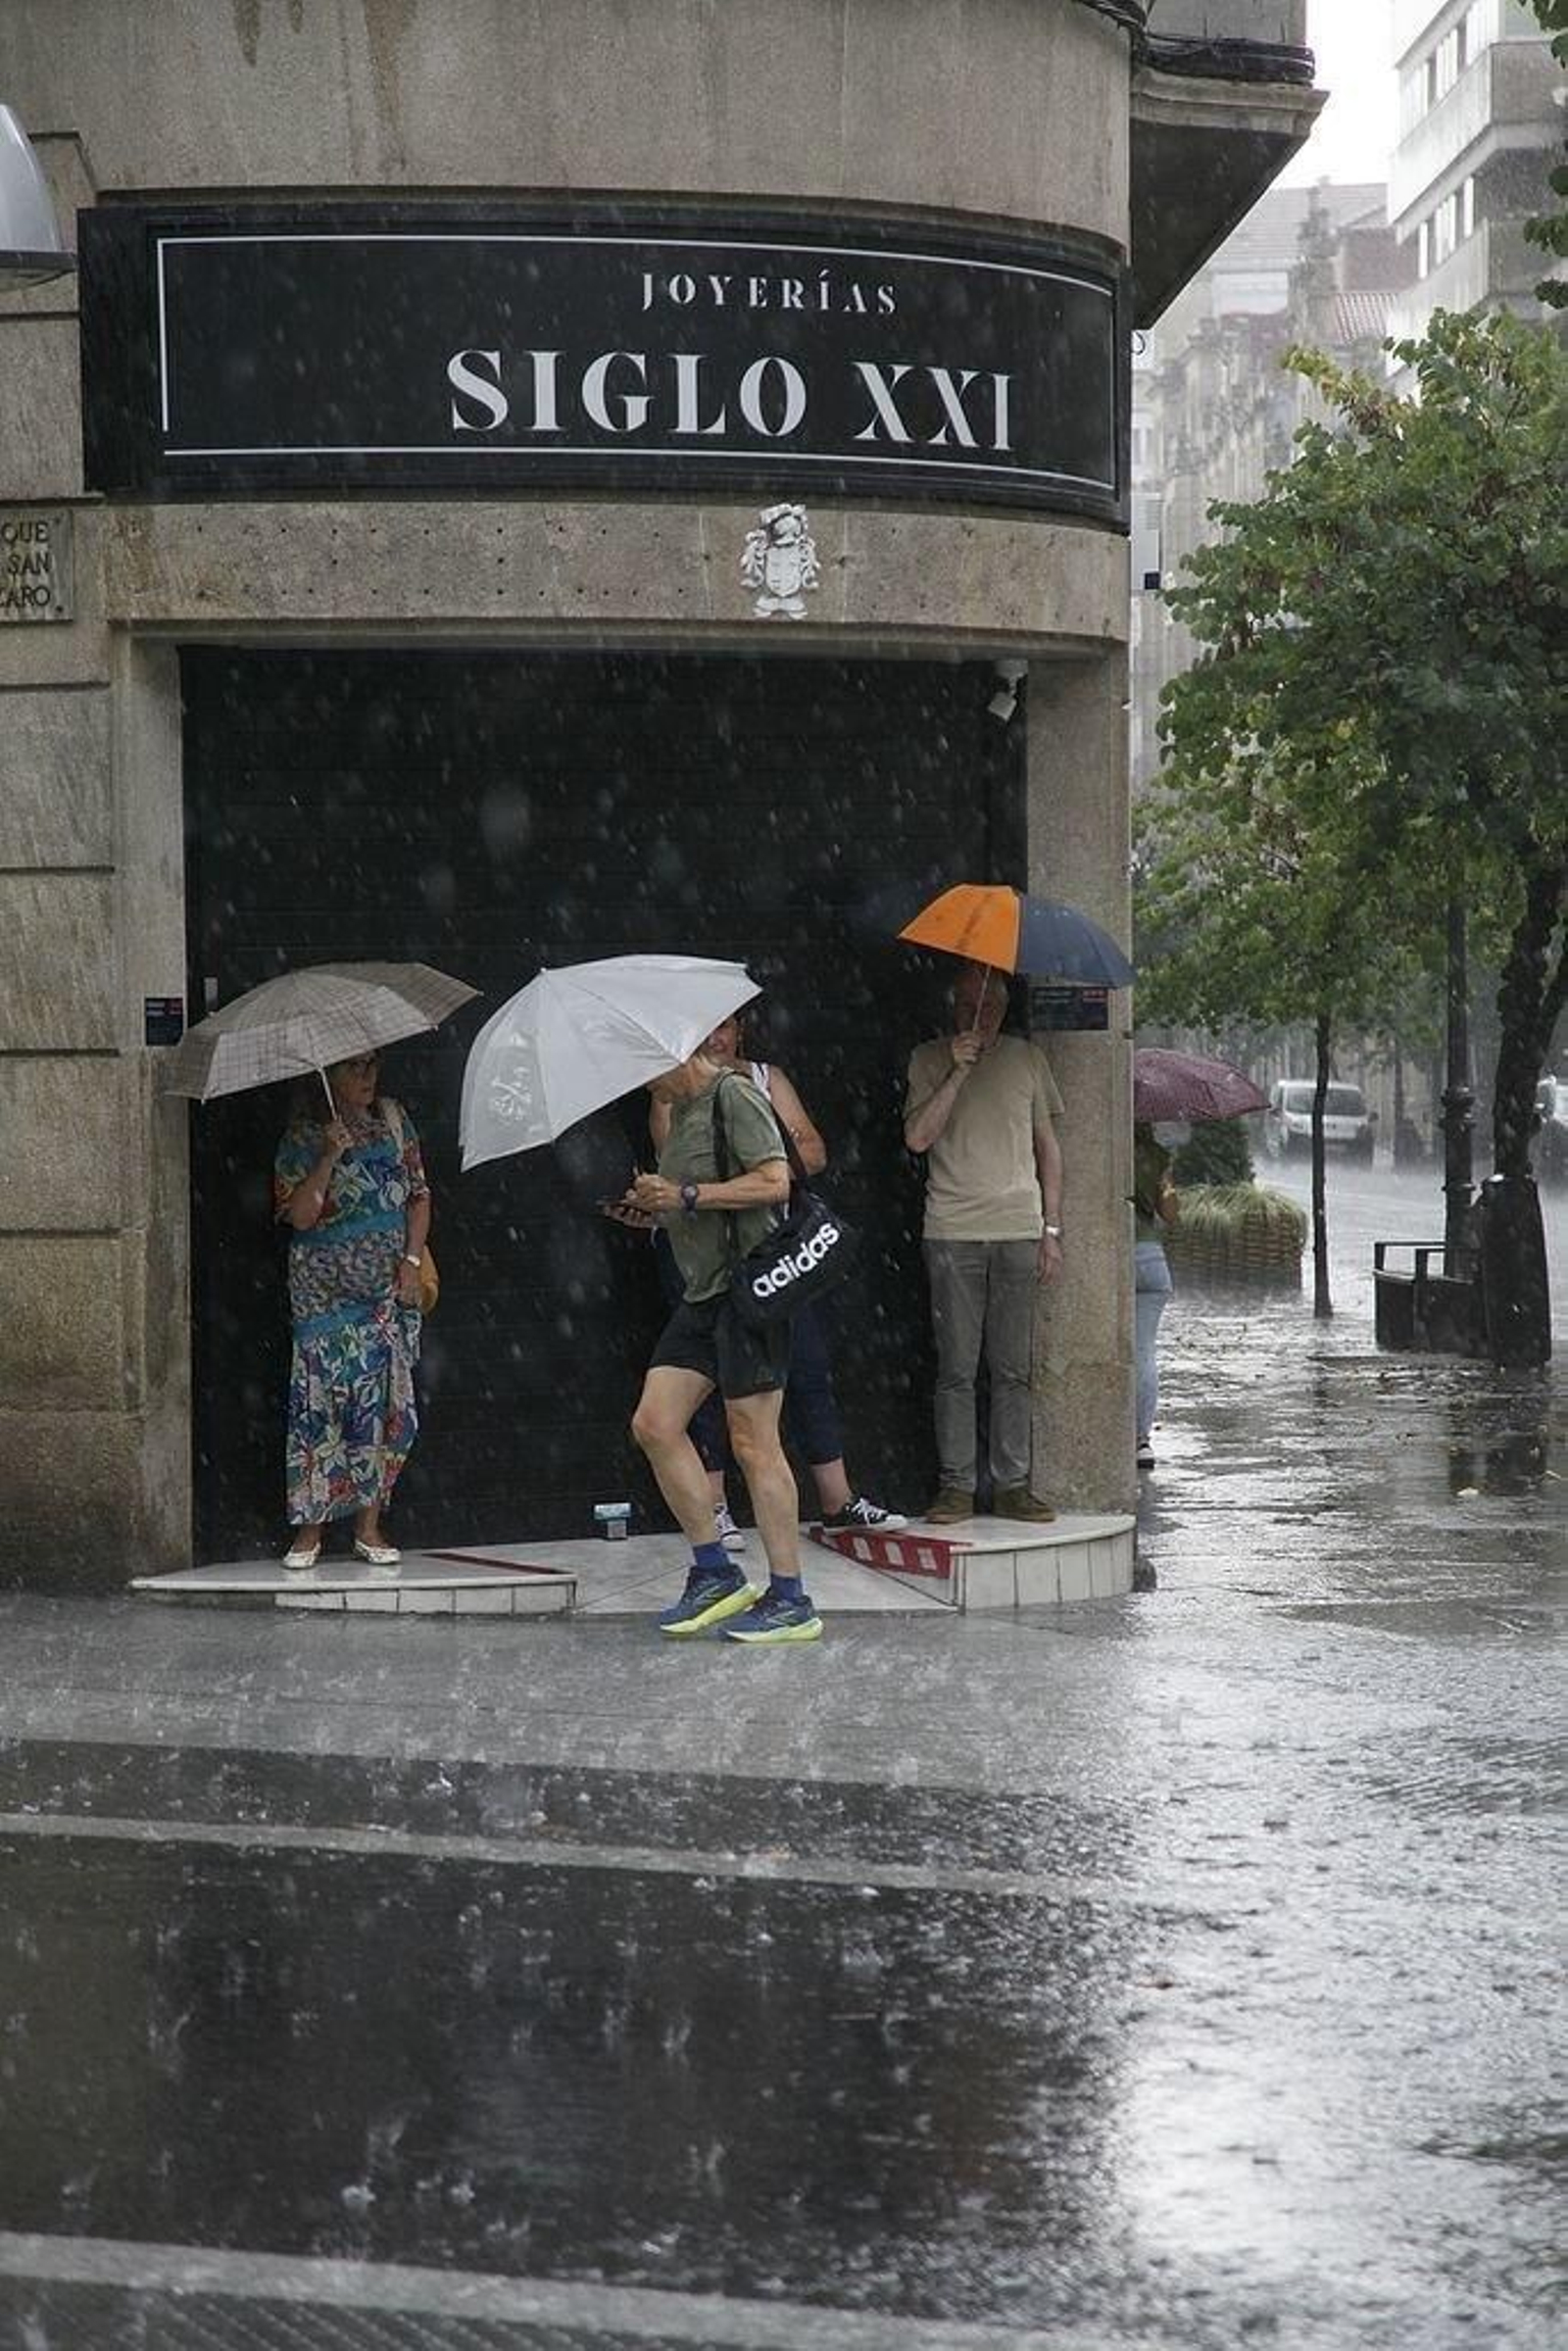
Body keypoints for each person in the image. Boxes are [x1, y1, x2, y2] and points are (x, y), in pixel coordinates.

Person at [649, 1013, 906, 1543]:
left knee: (784, 1397)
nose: (715, 1038)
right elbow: (673, 1176)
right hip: (703, 1269)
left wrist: (730, 1174)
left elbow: (797, 1162)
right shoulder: (672, 1092)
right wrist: (665, 1200)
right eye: (702, 1030)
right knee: (668, 1418)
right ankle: (714, 1521)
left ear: (741, 1029)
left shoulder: (752, 1086)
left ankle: (812, 1538)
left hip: (766, 1262)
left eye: (724, 1027)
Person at [622, 1043, 823, 1645]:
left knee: (753, 1442)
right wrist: (657, 1210)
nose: (639, 1084)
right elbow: (697, 1201)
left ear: (671, 1052)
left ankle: (791, 1597)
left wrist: (685, 1197)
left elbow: (774, 1182)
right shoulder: (678, 1108)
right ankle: (715, 1571)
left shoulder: (733, 1095)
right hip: (704, 1294)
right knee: (655, 1424)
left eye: (642, 1069)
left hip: (749, 1290)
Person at [904, 958, 1064, 1523]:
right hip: (953, 1230)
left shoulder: (1028, 1059)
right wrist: (956, 1072)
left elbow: (1050, 1148)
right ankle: (956, 1486)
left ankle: (1013, 1483)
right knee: (956, 1368)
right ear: (956, 1007)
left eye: (994, 1004)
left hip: (1019, 1229)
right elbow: (918, 1139)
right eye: (974, 1004)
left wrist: (1051, 1229)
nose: (986, 1014)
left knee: (1013, 1367)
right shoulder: (927, 1058)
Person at [271, 1051, 430, 1572]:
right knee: (323, 1409)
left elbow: (419, 1195)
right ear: (327, 1077)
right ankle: (310, 1529)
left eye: (373, 1066)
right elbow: (299, 1216)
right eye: (354, 1068)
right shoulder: (303, 1137)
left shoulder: (393, 1119)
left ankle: (368, 1524)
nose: (368, 1077)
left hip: (384, 1294)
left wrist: (410, 1260)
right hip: (324, 1297)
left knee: (384, 1410)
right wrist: (327, 1156)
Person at [1132, 1120, 1180, 1468]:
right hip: (1152, 1259)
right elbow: (1171, 1215)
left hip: (1114, 1254)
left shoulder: (1107, 1150)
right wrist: (1162, 1177)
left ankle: (1111, 1430)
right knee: (1144, 1352)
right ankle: (1141, 1440)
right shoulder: (1156, 1155)